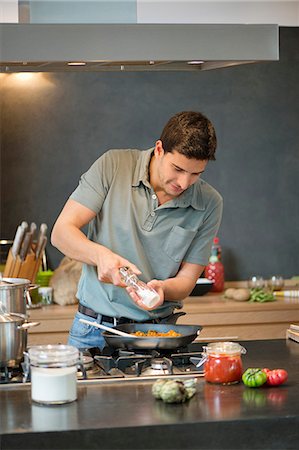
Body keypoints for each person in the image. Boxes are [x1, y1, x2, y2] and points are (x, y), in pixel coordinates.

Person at [51, 111, 223, 349]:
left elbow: (186, 281)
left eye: (196, 174)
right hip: (93, 329)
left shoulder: (209, 202)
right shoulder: (113, 165)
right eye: (178, 169)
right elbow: (61, 233)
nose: (184, 183)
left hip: (157, 334)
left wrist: (163, 290)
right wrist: (100, 256)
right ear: (160, 149)